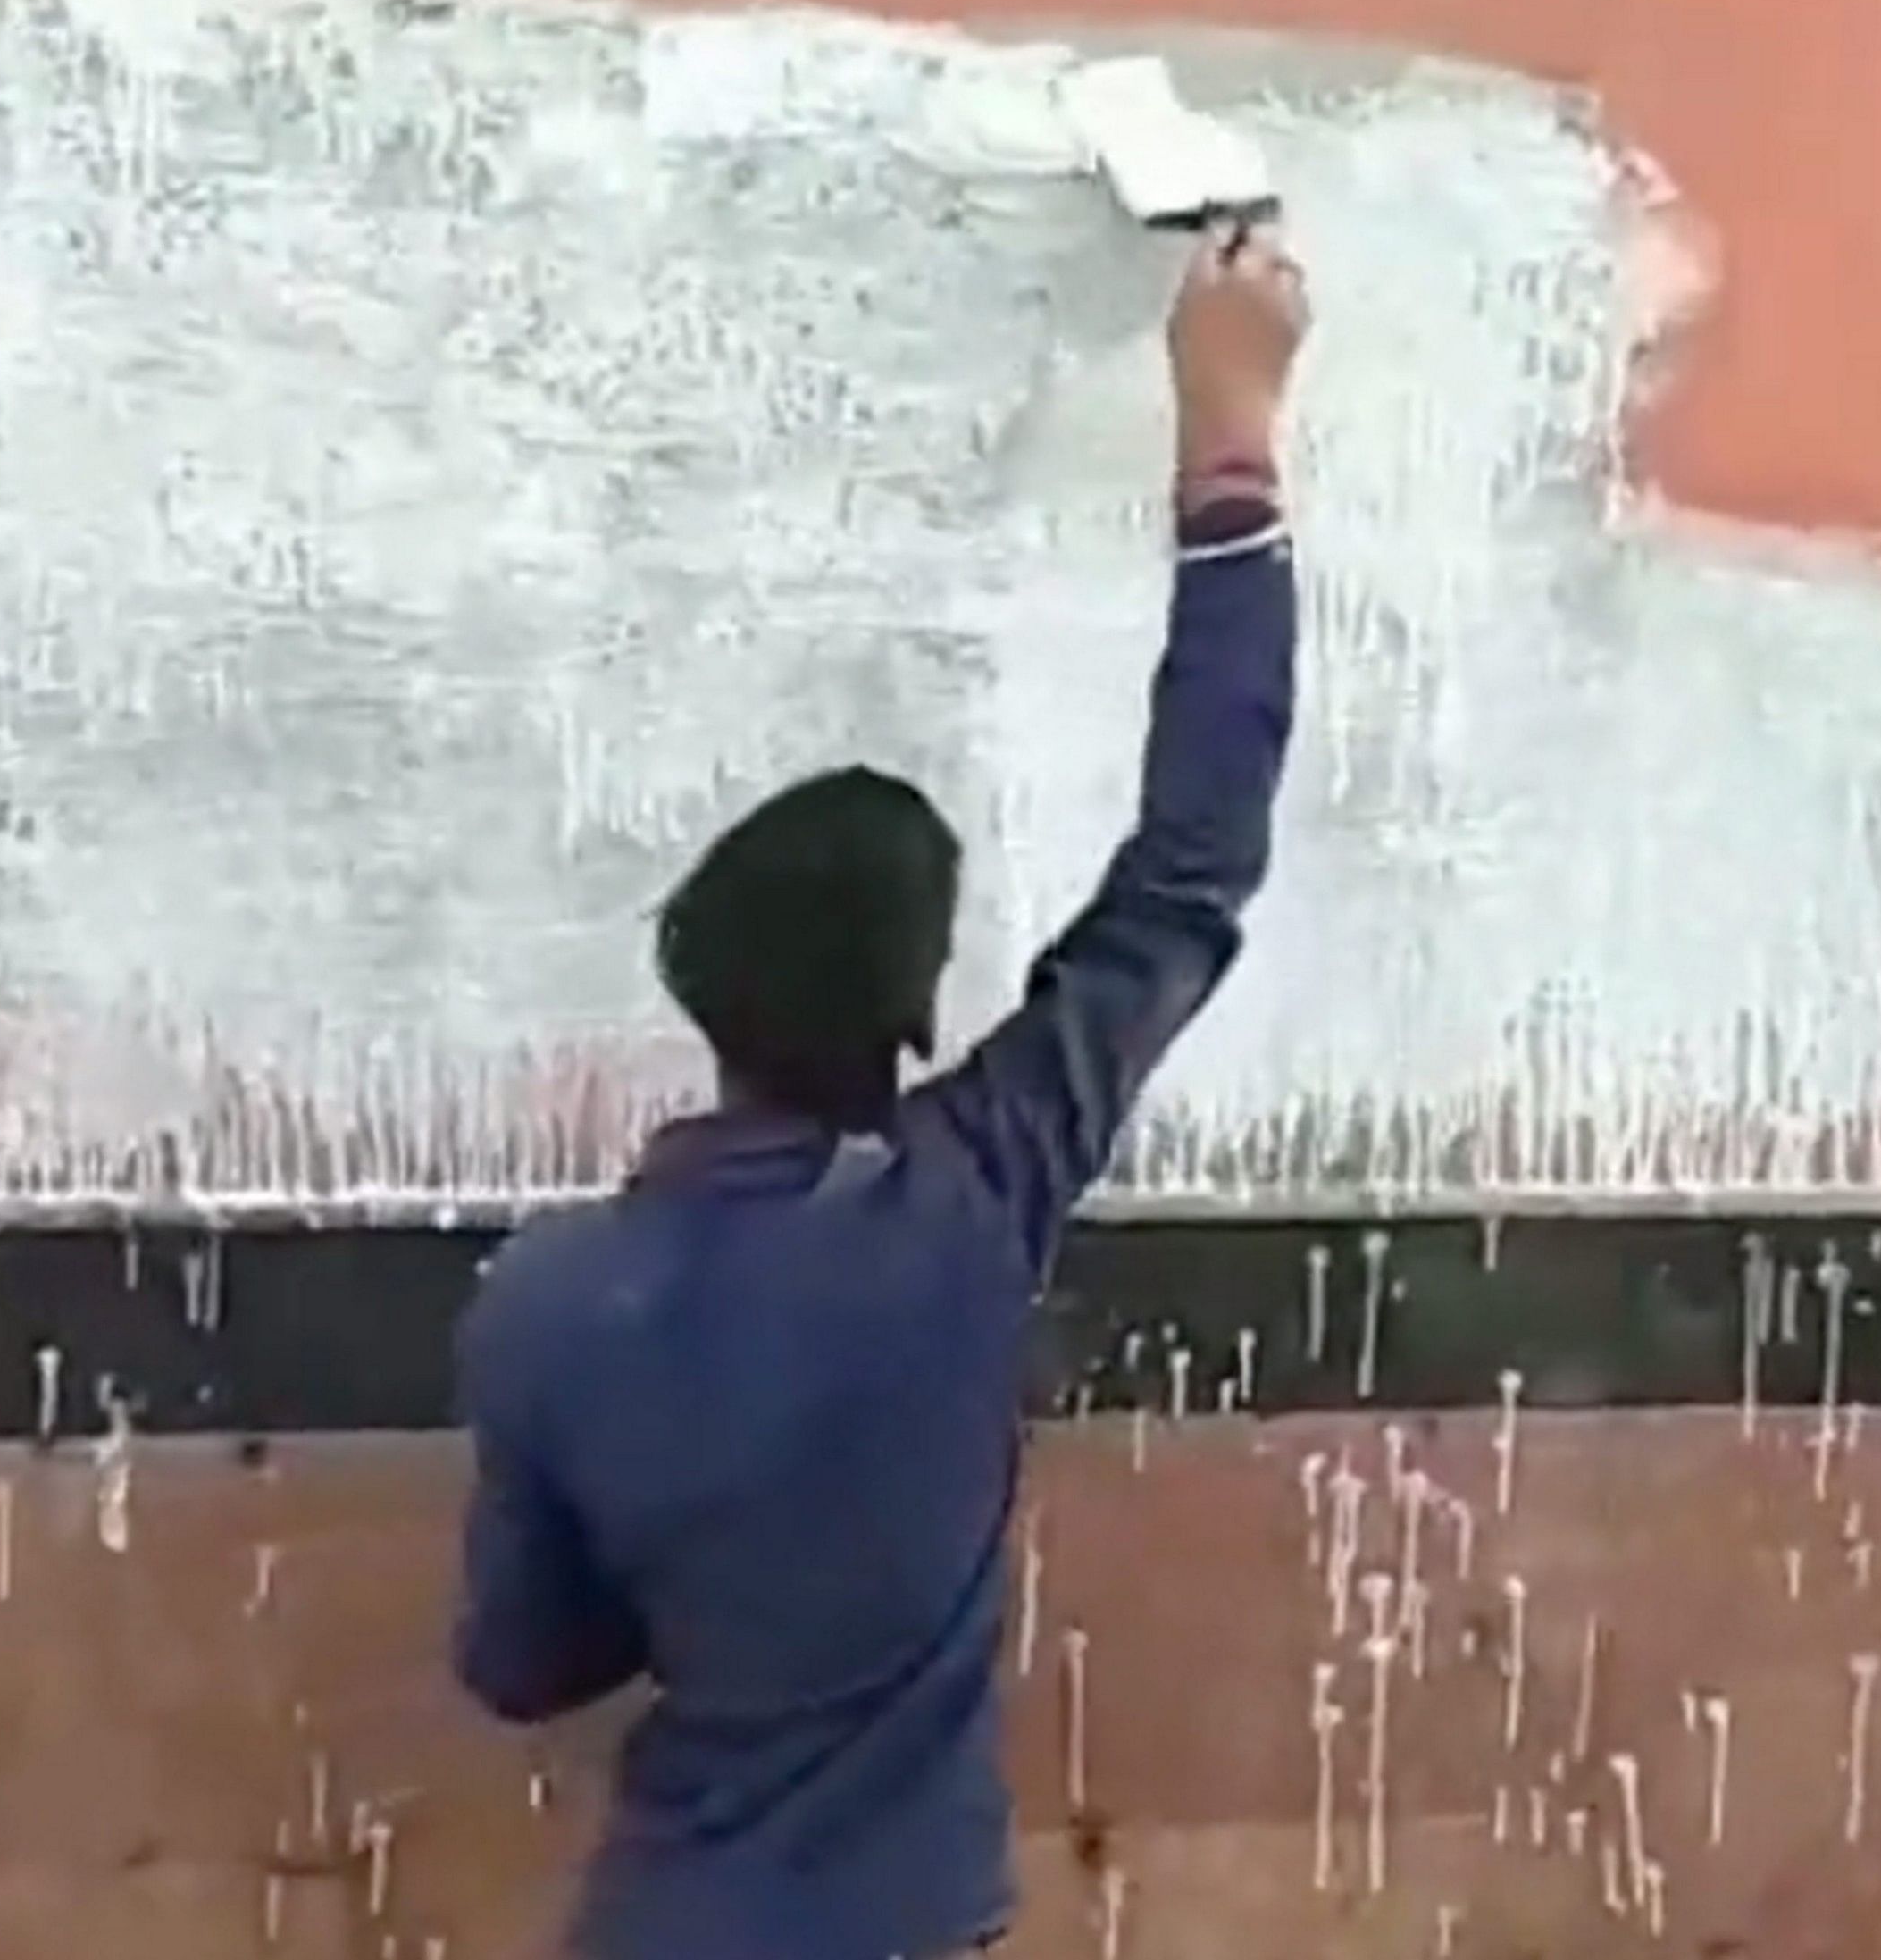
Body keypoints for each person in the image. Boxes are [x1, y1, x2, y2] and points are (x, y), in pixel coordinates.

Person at [447, 219, 1311, 1960]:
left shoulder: (545, 1303)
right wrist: (1229, 432)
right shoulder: (967, 1205)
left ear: (700, 985)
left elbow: (514, 1667)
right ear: (916, 1011)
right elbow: (1189, 864)